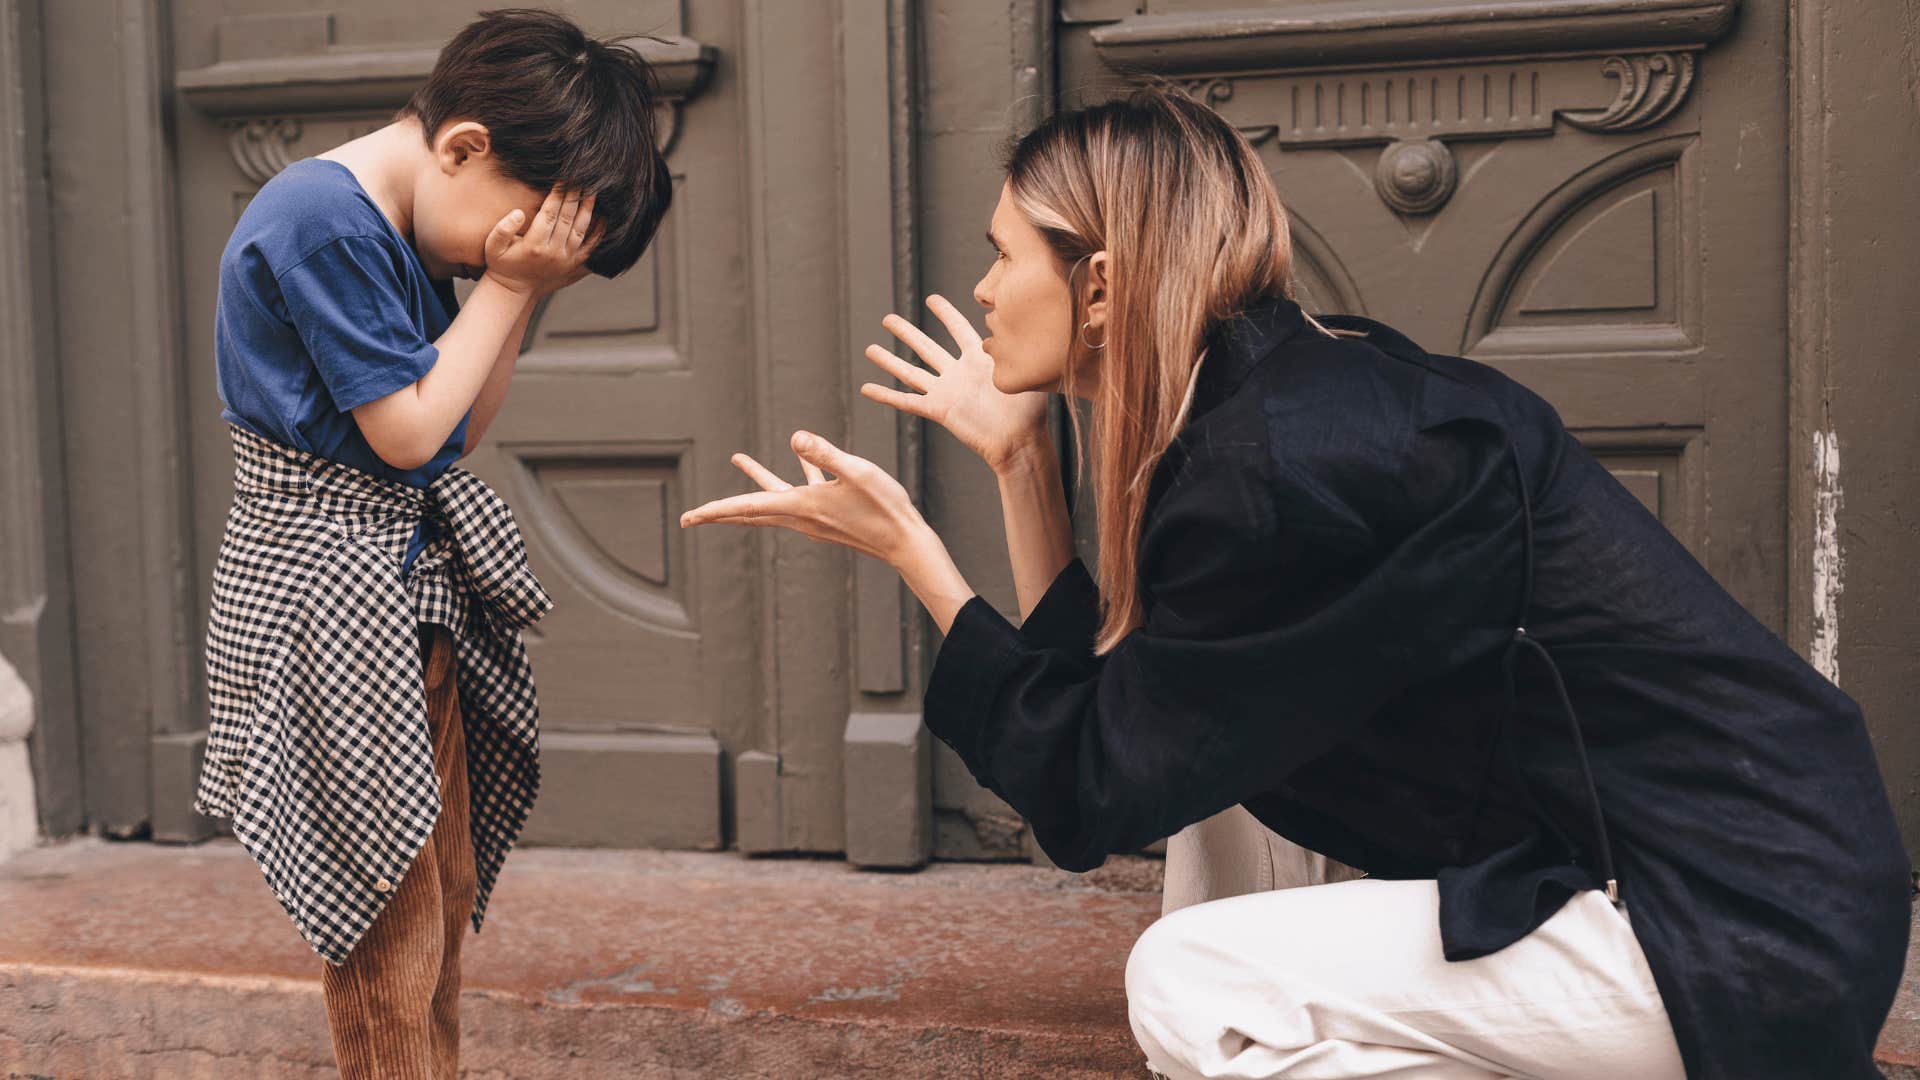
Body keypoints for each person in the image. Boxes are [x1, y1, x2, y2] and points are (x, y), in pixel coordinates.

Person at [680, 87, 1913, 1079]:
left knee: (1187, 983)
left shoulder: (1275, 469)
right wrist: (1020, 463)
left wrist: (920, 561)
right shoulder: (1280, 405)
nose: (988, 290)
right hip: (1705, 874)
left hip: (1726, 928)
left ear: (1100, 285)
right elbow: (1131, 748)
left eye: (1005, 256)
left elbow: (1087, 789)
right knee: (1212, 792)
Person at [193, 9, 673, 1077]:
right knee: (390, 927)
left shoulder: (418, 227)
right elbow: (410, 435)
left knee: (437, 896)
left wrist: (516, 293)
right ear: (464, 147)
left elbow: (460, 424)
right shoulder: (324, 220)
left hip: (403, 596)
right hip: (329, 607)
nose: (518, 258)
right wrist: (508, 288)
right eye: (524, 230)